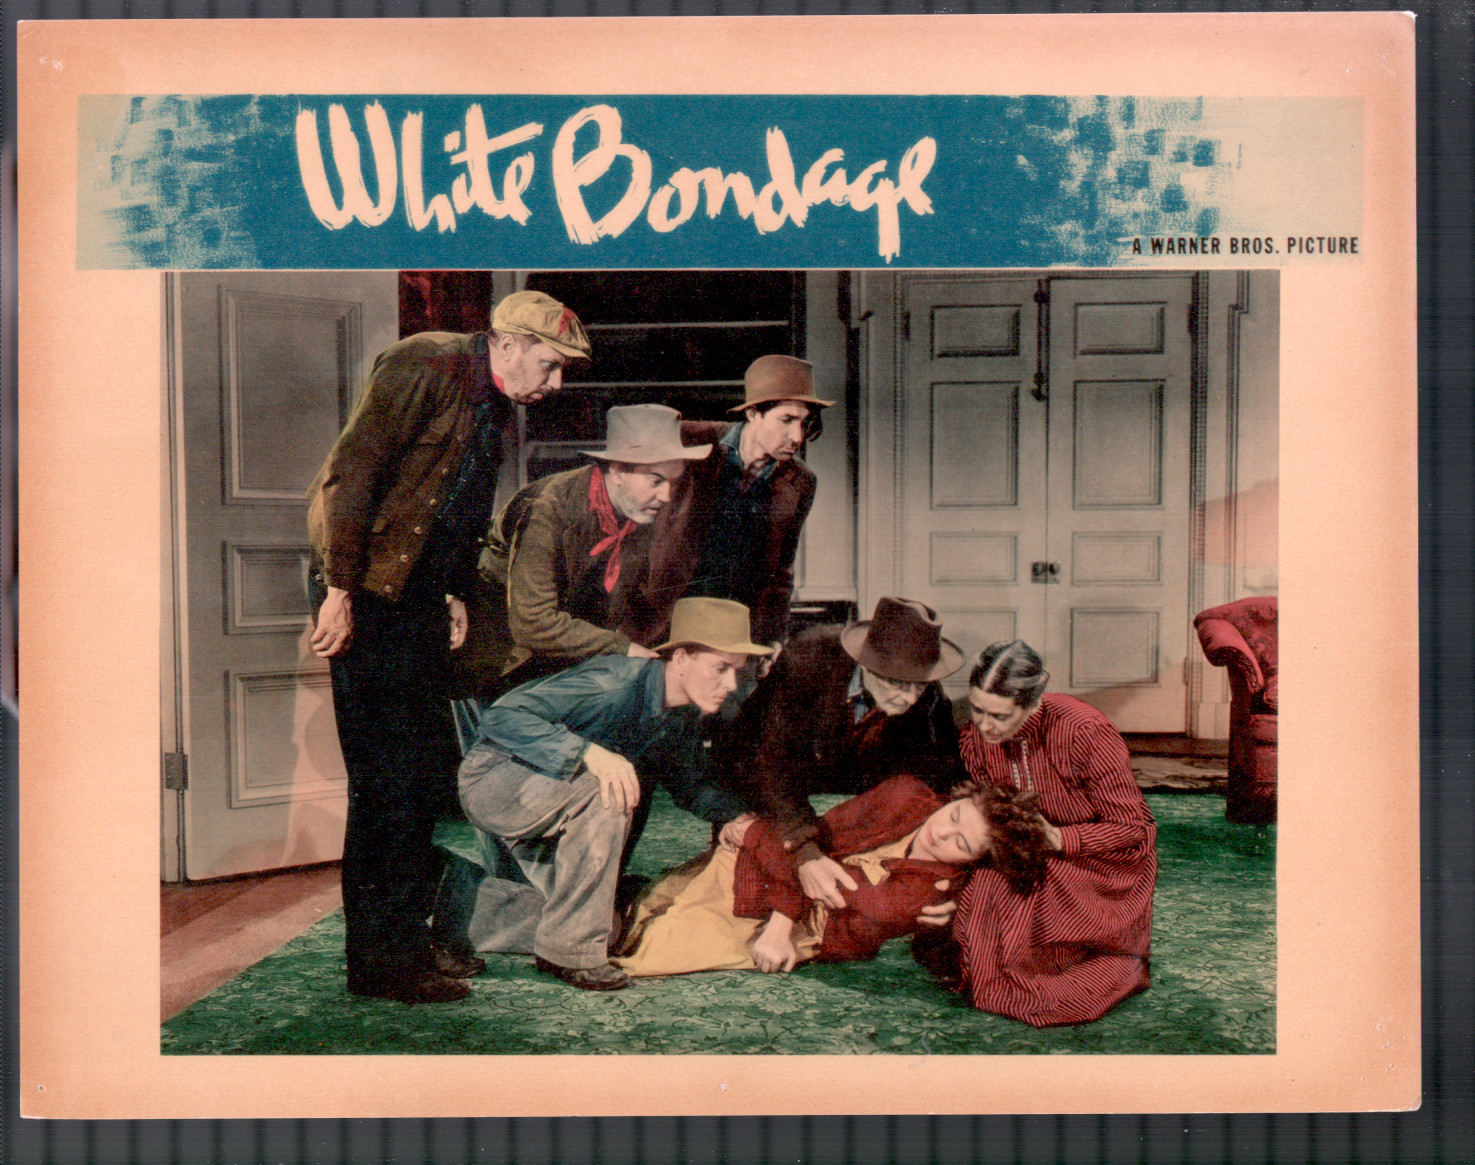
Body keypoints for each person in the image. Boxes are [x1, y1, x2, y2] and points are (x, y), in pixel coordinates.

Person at [306, 290, 591, 1004]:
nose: (555, 384)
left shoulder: (493, 402)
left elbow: (460, 509)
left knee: (419, 782)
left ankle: (408, 940)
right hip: (367, 595)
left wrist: (456, 590)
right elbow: (352, 473)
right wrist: (339, 589)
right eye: (550, 365)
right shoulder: (424, 363)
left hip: (419, 599)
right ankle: (381, 963)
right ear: (507, 343)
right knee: (385, 785)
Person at [454, 597, 770, 992]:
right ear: (681, 659)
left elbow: (689, 780)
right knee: (611, 789)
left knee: (608, 926)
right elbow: (501, 716)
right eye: (720, 668)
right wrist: (588, 753)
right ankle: (569, 952)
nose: (731, 685)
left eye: (737, 671)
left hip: (559, 799)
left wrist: (734, 816)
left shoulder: (682, 711)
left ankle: (448, 896)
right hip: (496, 778)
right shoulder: (614, 682)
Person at [614, 775, 1047, 977]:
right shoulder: (905, 794)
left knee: (653, 951)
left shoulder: (930, 892)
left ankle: (616, 920)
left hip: (809, 929)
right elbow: (818, 836)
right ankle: (623, 903)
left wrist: (755, 834)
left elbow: (830, 887)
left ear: (973, 862)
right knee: (658, 897)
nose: (942, 832)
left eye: (962, 843)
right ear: (957, 798)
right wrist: (769, 849)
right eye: (954, 815)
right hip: (775, 873)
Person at [949, 640, 1159, 1027]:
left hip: (1102, 864)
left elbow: (1135, 827)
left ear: (1031, 703)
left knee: (1010, 903)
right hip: (1032, 851)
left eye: (999, 715)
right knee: (985, 889)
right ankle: (1003, 977)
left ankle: (1101, 965)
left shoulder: (1085, 731)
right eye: (977, 709)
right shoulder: (976, 739)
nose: (984, 725)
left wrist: (1062, 840)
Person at [718, 596, 969, 917]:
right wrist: (804, 851)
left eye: (918, 686)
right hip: (760, 764)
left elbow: (947, 775)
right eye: (897, 682)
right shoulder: (808, 657)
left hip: (843, 773)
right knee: (747, 876)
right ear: (866, 662)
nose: (909, 698)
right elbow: (771, 762)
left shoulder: (927, 693)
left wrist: (954, 881)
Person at [450, 403, 712, 700]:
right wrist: (623, 649)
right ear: (619, 470)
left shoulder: (638, 512)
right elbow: (532, 623)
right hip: (495, 660)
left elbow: (623, 603)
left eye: (673, 482)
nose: (665, 496)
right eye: (656, 480)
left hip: (557, 658)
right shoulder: (549, 508)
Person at [645, 354, 832, 650]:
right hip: (659, 620)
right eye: (786, 420)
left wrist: (772, 638)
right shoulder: (688, 441)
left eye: (804, 422)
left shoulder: (801, 481)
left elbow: (782, 570)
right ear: (754, 413)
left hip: (734, 630)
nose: (797, 437)